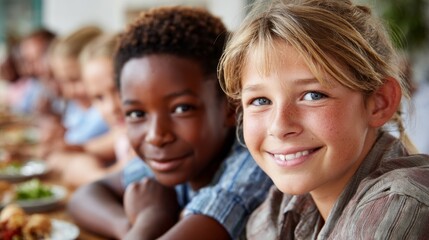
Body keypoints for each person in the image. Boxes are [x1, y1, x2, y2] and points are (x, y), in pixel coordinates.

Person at [219, 0, 429, 239]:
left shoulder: (404, 204)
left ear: (379, 103)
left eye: (313, 95)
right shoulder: (282, 206)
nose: (279, 127)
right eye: (260, 101)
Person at [68, 6, 272, 240]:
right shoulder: (173, 157)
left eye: (182, 109)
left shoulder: (251, 167)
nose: (156, 135)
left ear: (230, 107)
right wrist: (131, 227)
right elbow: (85, 195)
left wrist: (150, 219)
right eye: (136, 113)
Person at [48, 34, 135, 187]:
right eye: (99, 98)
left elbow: (116, 182)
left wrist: (90, 175)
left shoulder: (145, 141)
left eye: (118, 90)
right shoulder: (121, 133)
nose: (112, 108)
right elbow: (74, 151)